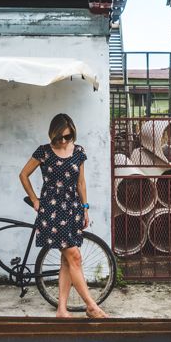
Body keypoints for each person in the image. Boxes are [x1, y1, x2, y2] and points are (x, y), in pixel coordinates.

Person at [19, 113, 109, 319]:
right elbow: (23, 175)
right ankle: (91, 305)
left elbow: (81, 183)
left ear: (72, 134)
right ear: (52, 135)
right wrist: (34, 199)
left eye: (67, 137)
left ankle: (61, 310)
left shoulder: (78, 152)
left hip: (72, 208)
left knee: (67, 260)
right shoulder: (43, 152)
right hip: (51, 209)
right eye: (59, 137)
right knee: (75, 256)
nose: (63, 141)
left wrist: (85, 208)